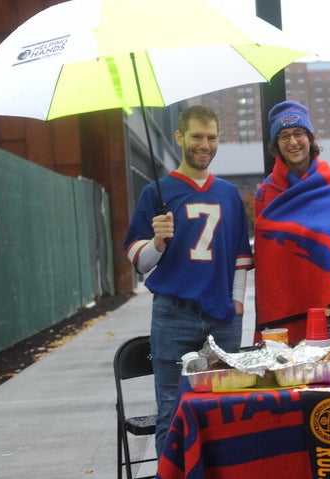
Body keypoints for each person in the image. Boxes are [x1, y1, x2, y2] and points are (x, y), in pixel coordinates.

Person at [123, 105, 253, 457]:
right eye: (197, 136)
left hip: (222, 315)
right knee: (172, 410)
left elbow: (240, 256)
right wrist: (158, 242)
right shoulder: (156, 192)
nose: (205, 145)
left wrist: (237, 301)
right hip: (173, 313)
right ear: (180, 137)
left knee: (227, 408)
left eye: (211, 137)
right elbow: (140, 262)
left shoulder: (227, 193)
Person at [253, 100, 330, 345]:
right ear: (276, 144)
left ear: (310, 137)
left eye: (298, 133)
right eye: (284, 136)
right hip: (286, 315)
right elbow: (268, 258)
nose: (293, 142)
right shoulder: (266, 193)